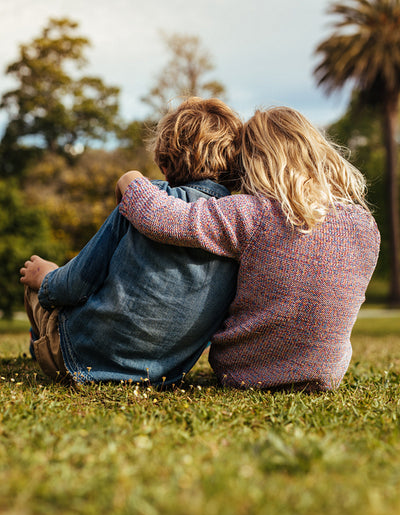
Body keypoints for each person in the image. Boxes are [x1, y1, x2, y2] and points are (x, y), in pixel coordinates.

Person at [117, 106, 380, 391]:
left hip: (244, 370)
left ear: (253, 159)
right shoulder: (365, 225)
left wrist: (130, 179)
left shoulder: (252, 213)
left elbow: (163, 219)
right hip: (325, 375)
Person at [19, 97, 242, 384]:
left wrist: (47, 276)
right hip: (161, 376)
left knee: (36, 277)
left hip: (81, 358)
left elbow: (75, 285)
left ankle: (40, 346)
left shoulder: (147, 199)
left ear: (163, 162)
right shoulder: (241, 224)